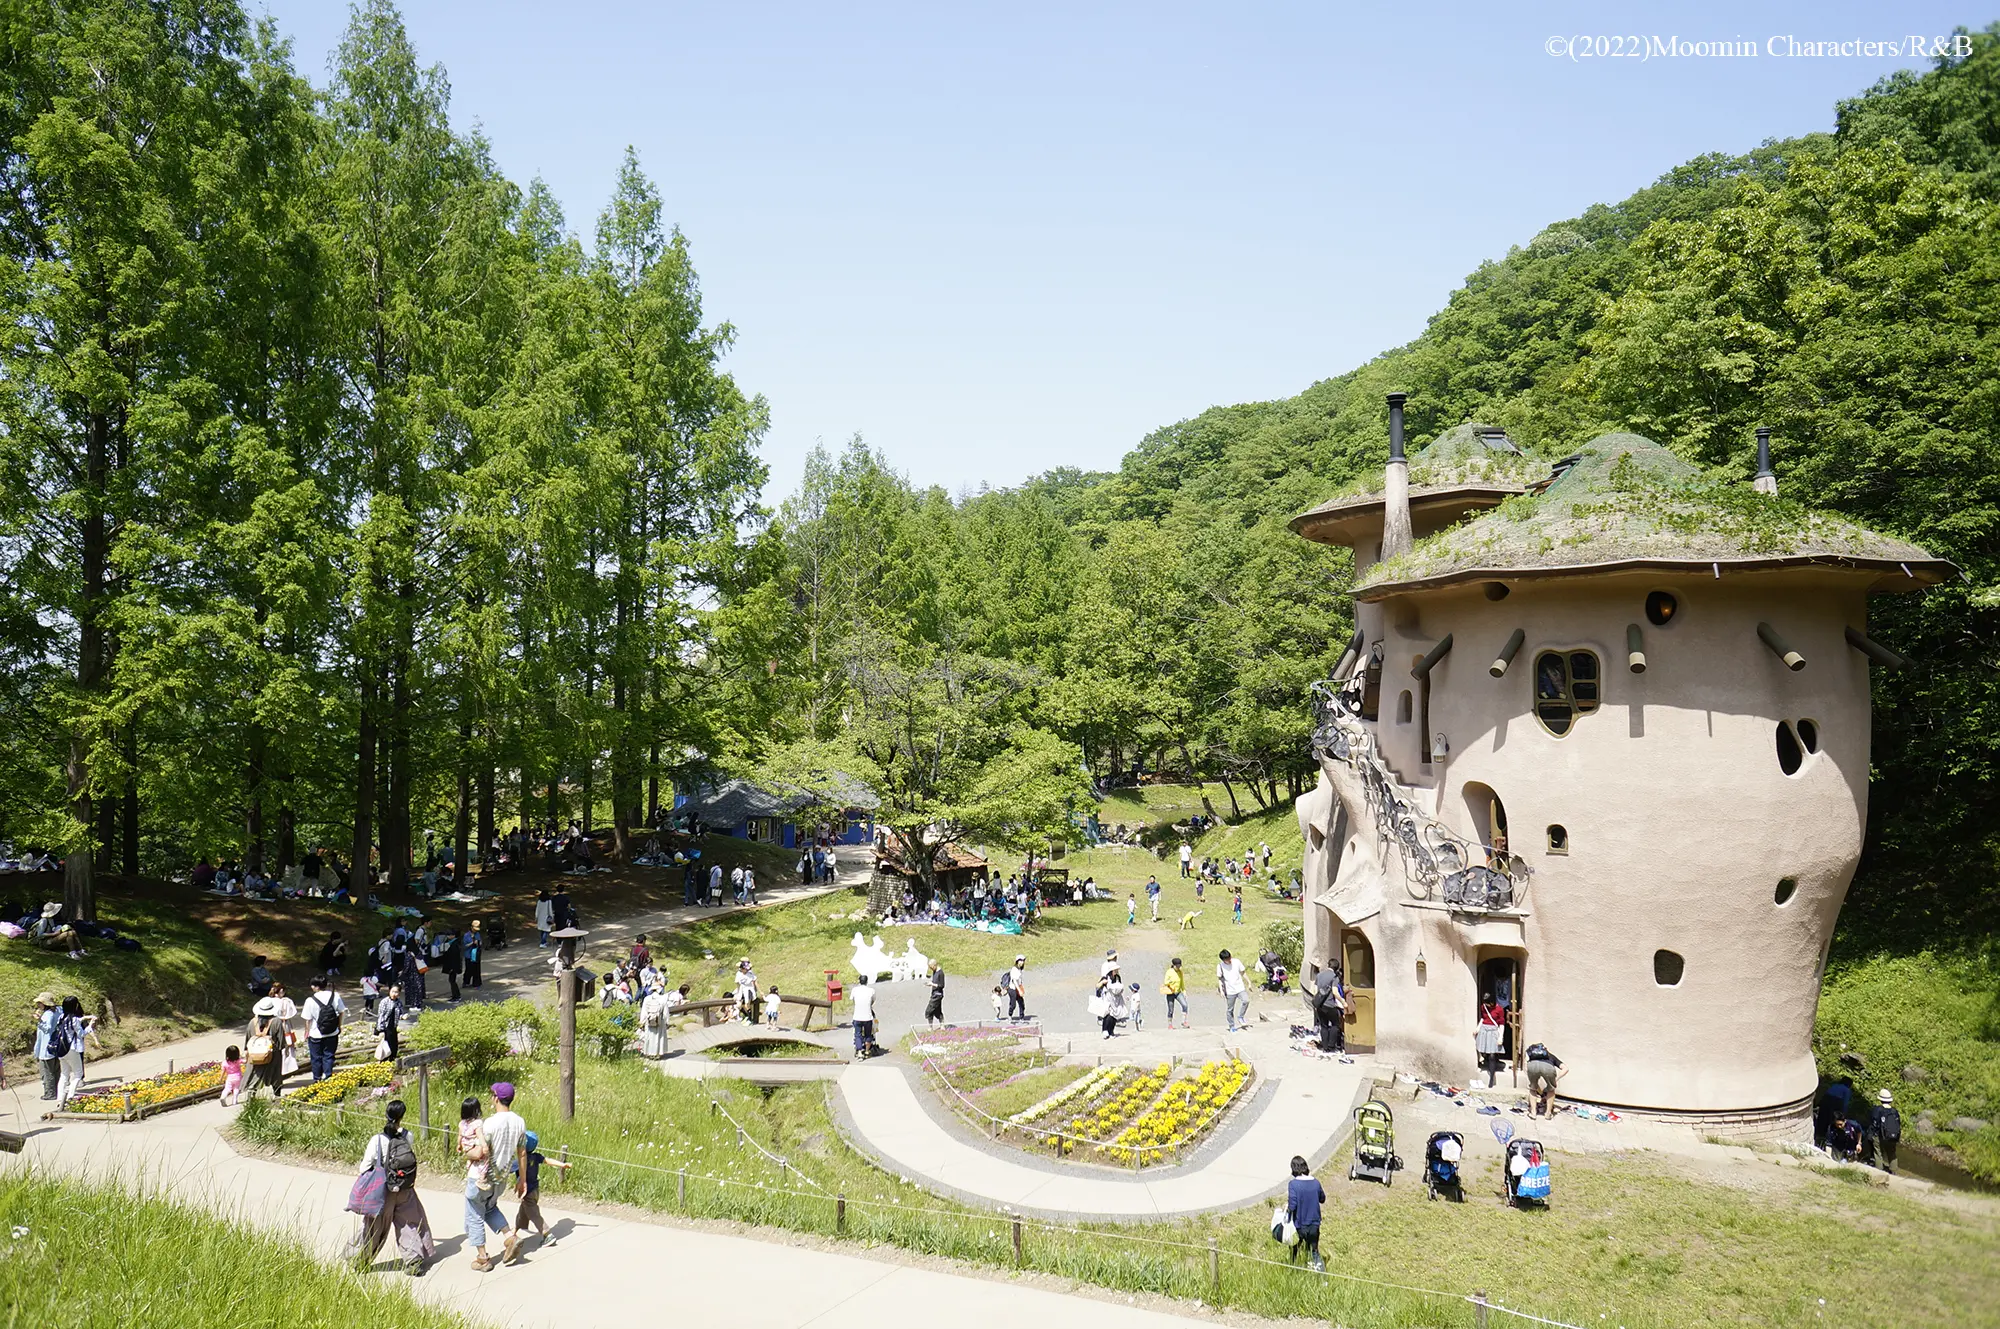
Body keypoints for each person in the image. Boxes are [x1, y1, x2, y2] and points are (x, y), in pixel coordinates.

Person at [348, 1099, 436, 1275]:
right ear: (402, 1116)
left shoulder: (378, 1140)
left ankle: (360, 1260)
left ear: (386, 1114)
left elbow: (364, 1167)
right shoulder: (408, 1136)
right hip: (404, 1188)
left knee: (373, 1226)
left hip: (382, 1191)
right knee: (408, 1223)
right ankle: (414, 1261)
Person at [456, 1095, 512, 1271]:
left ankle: (483, 1258)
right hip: (497, 1175)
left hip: (477, 1176)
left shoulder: (471, 1125)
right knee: (489, 1208)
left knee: (474, 1215)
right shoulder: (511, 1123)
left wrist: (466, 1151)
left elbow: (476, 1151)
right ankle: (509, 1236)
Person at [515, 1128, 569, 1250]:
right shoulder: (536, 1157)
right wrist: (562, 1165)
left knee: (534, 1215)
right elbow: (548, 1161)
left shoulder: (519, 1161)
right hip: (535, 1191)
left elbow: (506, 1170)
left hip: (527, 1192)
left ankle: (547, 1234)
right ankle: (515, 1229)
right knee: (524, 1210)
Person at [301, 977, 347, 1082]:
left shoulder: (310, 1000)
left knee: (316, 1058)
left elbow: (307, 1019)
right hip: (332, 1032)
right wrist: (339, 1026)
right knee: (329, 1056)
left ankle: (317, 1079)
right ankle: (328, 1077)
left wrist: (306, 1032)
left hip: (315, 1034)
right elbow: (341, 1012)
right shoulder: (335, 996)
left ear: (315, 986)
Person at [1285, 1155, 1326, 1273]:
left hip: (1300, 1225)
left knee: (1294, 1250)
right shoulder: (1316, 1183)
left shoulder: (1293, 1184)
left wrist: (1286, 1210)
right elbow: (1322, 1199)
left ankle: (1292, 1272)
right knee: (1314, 1252)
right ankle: (1323, 1279)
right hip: (1314, 1224)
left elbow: (1292, 1206)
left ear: (1293, 1169)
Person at [246, 995, 288, 1099]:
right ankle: (276, 1095)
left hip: (255, 1055)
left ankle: (251, 1093)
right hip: (272, 1054)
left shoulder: (252, 1022)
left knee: (255, 1074)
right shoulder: (276, 1022)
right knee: (275, 1074)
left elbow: (247, 1039)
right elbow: (281, 1042)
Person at [54, 995, 91, 1106]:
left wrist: (84, 1019)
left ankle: (60, 1098)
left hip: (61, 1049)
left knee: (64, 1074)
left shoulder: (61, 1017)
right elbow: (82, 1033)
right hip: (73, 1049)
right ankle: (70, 1096)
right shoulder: (74, 1019)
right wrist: (90, 1026)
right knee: (78, 1074)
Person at [1523, 1041, 1565, 1117]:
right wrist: (1556, 1079)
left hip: (1532, 1065)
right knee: (1551, 1090)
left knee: (1532, 1089)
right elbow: (1565, 1069)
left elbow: (1525, 1065)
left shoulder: (1531, 1055)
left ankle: (1533, 1113)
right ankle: (1548, 1113)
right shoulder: (1551, 1056)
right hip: (1548, 1067)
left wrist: (1530, 1076)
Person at [31, 992, 60, 1101]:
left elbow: (47, 1029)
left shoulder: (48, 1014)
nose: (38, 1005)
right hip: (54, 1046)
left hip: (46, 1047)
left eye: (40, 1003)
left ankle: (50, 1093)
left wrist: (39, 1020)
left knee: (47, 1072)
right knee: (56, 1070)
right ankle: (57, 1091)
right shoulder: (56, 1012)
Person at [1312, 965, 1347, 1054]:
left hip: (1320, 1005)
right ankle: (1331, 1046)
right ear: (1336, 967)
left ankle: (1325, 1047)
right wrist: (1342, 1001)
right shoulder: (1334, 977)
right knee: (1335, 1024)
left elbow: (1315, 991)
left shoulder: (1319, 975)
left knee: (1324, 1026)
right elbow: (1335, 992)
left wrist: (1316, 1003)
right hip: (1330, 1005)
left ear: (1328, 965)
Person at [1476, 993, 1506, 1088]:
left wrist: (1501, 1037)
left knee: (1492, 1054)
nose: (1487, 1005)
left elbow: (1501, 1023)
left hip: (1493, 1031)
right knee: (1483, 1050)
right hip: (1484, 1030)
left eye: (1489, 1003)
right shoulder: (1483, 1007)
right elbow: (1483, 1018)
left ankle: (1491, 1078)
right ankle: (1483, 1063)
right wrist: (1477, 1029)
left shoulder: (1499, 1009)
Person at [1868, 1088, 1902, 1173]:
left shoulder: (1877, 1109)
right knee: (1892, 1153)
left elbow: (1874, 1122)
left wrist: (1871, 1134)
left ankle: (1879, 1171)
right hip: (1892, 1136)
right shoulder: (1894, 1111)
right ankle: (1893, 1171)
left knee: (1878, 1153)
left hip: (1879, 1135)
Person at [1217, 949, 1249, 1033]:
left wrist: (1249, 982)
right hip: (1230, 990)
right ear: (1223, 960)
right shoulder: (1220, 966)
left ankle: (1241, 1016)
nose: (1229, 960)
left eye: (1230, 958)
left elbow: (1243, 972)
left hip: (1240, 987)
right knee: (1230, 1009)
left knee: (1246, 1000)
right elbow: (1220, 979)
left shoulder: (1236, 962)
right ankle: (1231, 1026)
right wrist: (1221, 990)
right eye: (1227, 959)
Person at [639, 984, 672, 1058]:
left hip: (649, 1020)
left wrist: (642, 1022)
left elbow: (644, 1011)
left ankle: (649, 1053)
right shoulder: (662, 999)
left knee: (649, 1037)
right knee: (659, 1037)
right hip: (660, 1021)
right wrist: (667, 1022)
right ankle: (658, 1054)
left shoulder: (647, 999)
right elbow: (665, 1013)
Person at [851, 973, 878, 1059]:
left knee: (858, 1034)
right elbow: (873, 1000)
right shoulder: (871, 990)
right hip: (868, 1016)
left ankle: (859, 1051)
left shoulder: (854, 990)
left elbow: (853, 1000)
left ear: (859, 981)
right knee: (868, 1034)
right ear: (867, 981)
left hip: (857, 1016)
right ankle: (867, 1050)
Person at [376, 983, 403, 1061]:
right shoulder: (384, 1002)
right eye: (392, 991)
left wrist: (402, 1016)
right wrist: (380, 1030)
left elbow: (400, 1013)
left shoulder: (398, 1002)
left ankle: (392, 1060)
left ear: (399, 993)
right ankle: (384, 1062)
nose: (394, 994)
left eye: (396, 992)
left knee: (394, 1045)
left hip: (393, 1026)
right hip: (385, 1027)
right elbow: (381, 1016)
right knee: (385, 1046)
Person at [1161, 958, 1189, 1028]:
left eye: (1179, 966)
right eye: (1177, 966)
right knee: (1171, 1009)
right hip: (1170, 992)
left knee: (1185, 1005)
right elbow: (1165, 982)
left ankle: (1184, 1021)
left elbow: (1181, 982)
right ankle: (1170, 1024)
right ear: (1174, 965)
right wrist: (1171, 982)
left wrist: (1184, 990)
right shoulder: (1169, 972)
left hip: (1178, 992)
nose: (1178, 967)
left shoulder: (1180, 972)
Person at [1003, 955, 1028, 1020]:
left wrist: (1020, 987)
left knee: (1021, 1004)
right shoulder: (1014, 969)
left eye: (1023, 961)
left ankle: (1021, 1017)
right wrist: (1019, 990)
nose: (1022, 962)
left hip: (1018, 987)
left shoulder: (1019, 969)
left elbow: (1019, 980)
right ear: (1017, 961)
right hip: (1012, 989)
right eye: (1020, 960)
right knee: (1013, 1004)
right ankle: (1010, 1015)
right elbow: (1014, 981)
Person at [924, 960, 945, 1029]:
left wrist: (932, 984)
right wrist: (930, 984)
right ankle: (941, 1026)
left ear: (935, 965)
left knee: (929, 1011)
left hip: (938, 995)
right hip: (934, 993)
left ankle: (932, 1027)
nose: (931, 969)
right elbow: (934, 982)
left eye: (931, 967)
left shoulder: (940, 973)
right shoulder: (934, 971)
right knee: (937, 1010)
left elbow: (942, 985)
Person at [462, 922, 483, 988]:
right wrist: (472, 943)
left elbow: (480, 942)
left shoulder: (477, 934)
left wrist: (478, 943)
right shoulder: (466, 935)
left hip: (476, 954)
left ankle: (476, 983)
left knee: (476, 969)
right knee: (469, 970)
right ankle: (466, 982)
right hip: (469, 955)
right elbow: (464, 946)